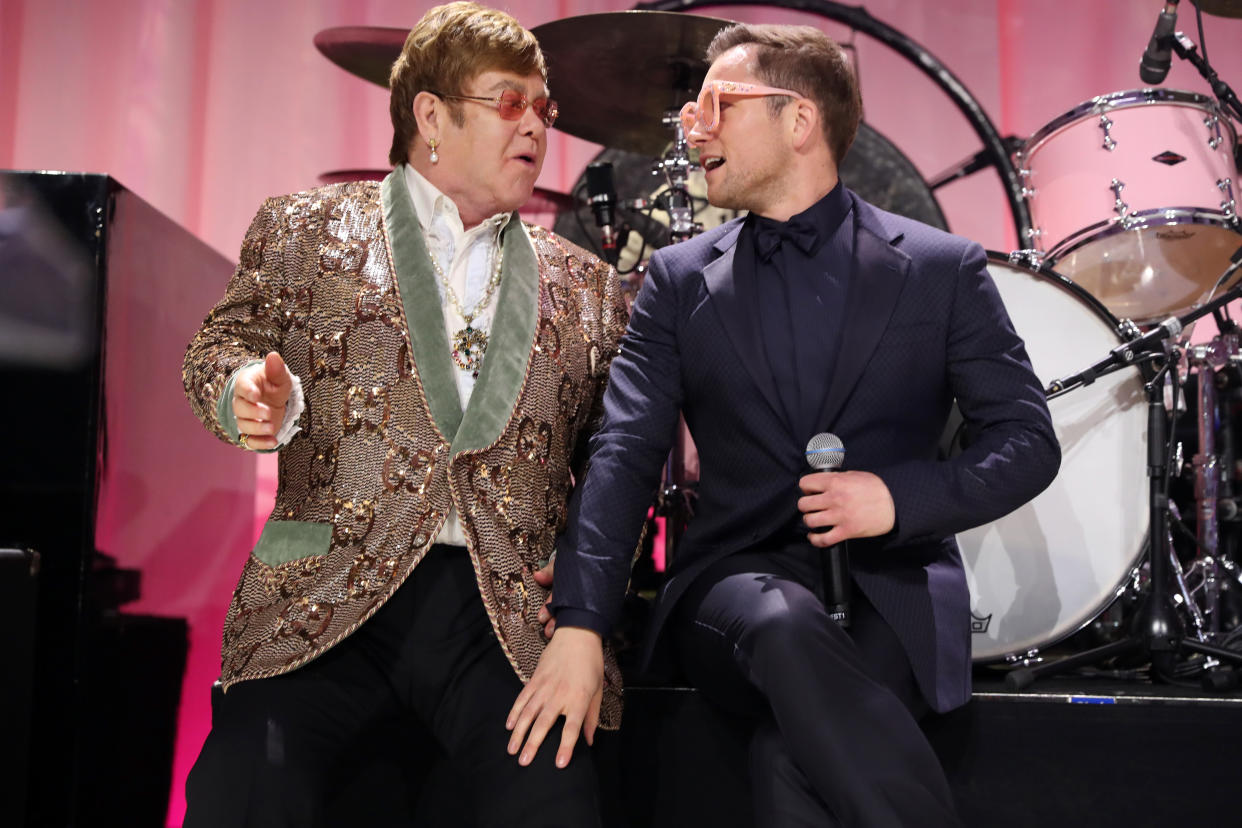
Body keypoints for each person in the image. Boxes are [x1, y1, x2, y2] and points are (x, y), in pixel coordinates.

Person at [520, 22, 1061, 827]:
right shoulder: (676, 280)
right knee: (780, 621)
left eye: (717, 105)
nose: (690, 126)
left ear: (798, 120)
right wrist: (582, 622)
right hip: (732, 589)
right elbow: (626, 451)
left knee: (789, 760)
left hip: (891, 592)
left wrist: (897, 499)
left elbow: (1025, 442)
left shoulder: (942, 269)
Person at [180, 4, 628, 825]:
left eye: (545, 108)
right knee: (243, 790)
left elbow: (619, 454)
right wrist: (245, 393)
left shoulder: (586, 285)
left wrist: (587, 578)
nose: (536, 126)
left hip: (497, 610)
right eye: (509, 101)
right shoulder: (306, 228)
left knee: (553, 804)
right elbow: (217, 349)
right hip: (321, 583)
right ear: (431, 114)